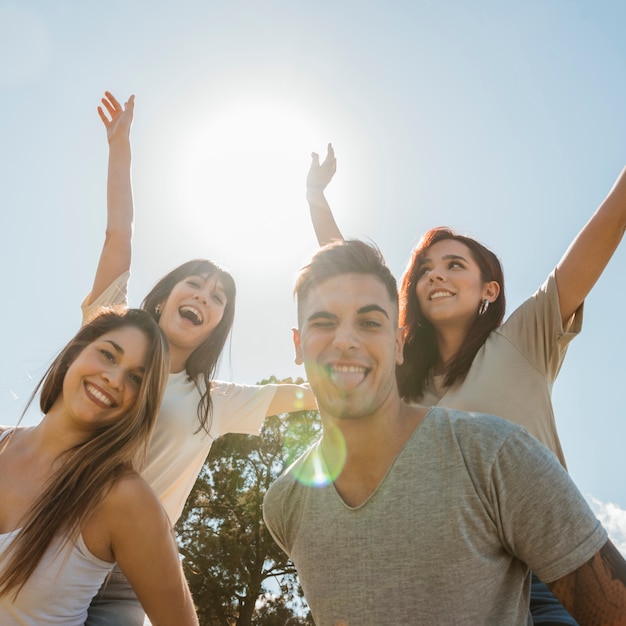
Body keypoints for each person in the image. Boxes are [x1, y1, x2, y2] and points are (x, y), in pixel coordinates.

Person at [306, 144, 626, 623]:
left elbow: (596, 241)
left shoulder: (525, 336)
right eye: (425, 270)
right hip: (452, 572)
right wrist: (316, 198)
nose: (436, 274)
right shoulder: (401, 381)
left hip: (545, 567)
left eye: (454, 265)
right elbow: (353, 282)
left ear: (489, 290)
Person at [84, 92, 318, 625]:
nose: (205, 297)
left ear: (217, 324)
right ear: (165, 296)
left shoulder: (214, 402)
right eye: (196, 284)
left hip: (129, 573)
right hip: (54, 533)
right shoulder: (109, 341)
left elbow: (307, 395)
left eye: (218, 299)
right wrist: (120, 149)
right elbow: (117, 238)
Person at [0, 309, 199, 626]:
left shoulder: (125, 499)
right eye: (108, 355)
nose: (114, 378)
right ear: (74, 353)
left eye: (135, 377)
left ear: (142, 401)